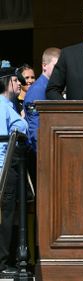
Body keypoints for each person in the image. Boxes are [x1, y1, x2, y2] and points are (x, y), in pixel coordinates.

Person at [0, 64, 28, 276]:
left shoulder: (9, 106)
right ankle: (2, 262)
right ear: (8, 82)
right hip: (6, 168)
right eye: (17, 80)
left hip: (12, 168)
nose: (20, 83)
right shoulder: (1, 106)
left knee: (10, 215)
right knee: (6, 216)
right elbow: (2, 143)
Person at [23, 47, 61, 190]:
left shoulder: (51, 87)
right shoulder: (38, 90)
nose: (60, 70)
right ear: (44, 66)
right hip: (42, 156)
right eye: (56, 66)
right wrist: (44, 156)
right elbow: (35, 128)